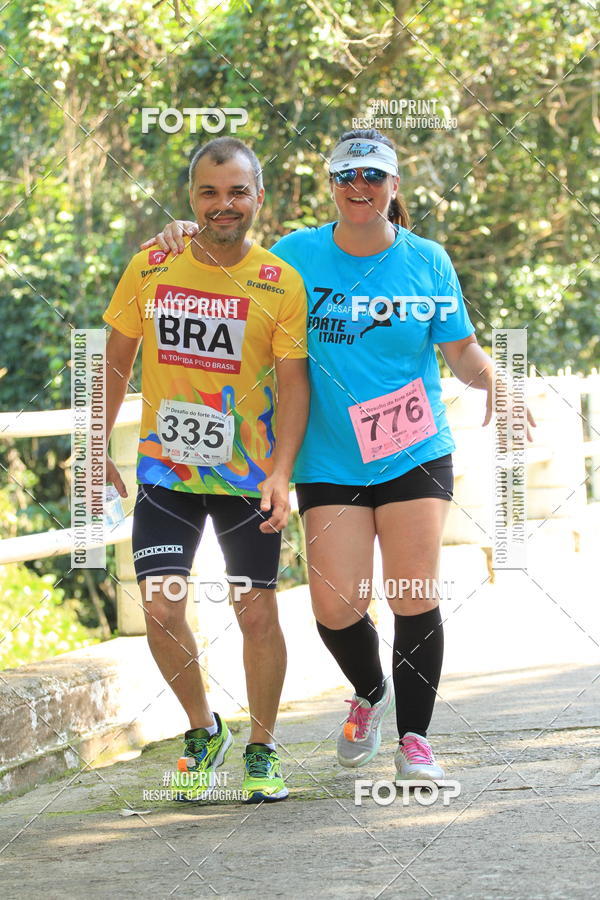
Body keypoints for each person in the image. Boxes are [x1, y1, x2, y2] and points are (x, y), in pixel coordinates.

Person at [143, 128, 535, 784]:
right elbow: (230, 261)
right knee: (336, 607)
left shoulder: (428, 261)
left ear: (393, 186)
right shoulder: (295, 256)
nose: (360, 188)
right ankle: (371, 691)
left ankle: (415, 741)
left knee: (412, 591)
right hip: (328, 458)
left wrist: (499, 377)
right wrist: (186, 231)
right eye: (347, 176)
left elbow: (461, 350)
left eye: (374, 177)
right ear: (332, 185)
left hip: (413, 446)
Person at [103, 137, 309, 803]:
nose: (224, 205)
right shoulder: (152, 265)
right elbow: (114, 358)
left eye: (237, 191)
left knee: (254, 611)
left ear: (257, 198)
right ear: (191, 198)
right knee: (162, 608)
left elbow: (296, 386)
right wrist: (94, 446)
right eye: (209, 192)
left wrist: (282, 473)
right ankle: (203, 729)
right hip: (166, 472)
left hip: (248, 476)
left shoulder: (279, 281)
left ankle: (264, 746)